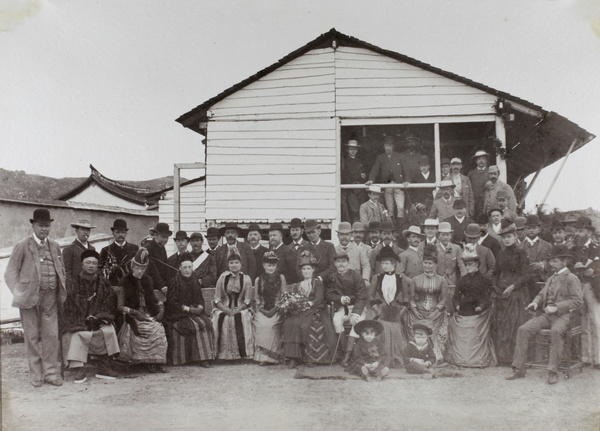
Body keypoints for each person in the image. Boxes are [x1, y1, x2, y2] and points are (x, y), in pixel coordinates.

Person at [5, 209, 66, 387]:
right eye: (41, 226)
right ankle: (36, 375)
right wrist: (20, 293)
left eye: (47, 226)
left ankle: (51, 374)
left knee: (51, 336)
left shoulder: (54, 245)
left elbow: (61, 270)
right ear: (33, 225)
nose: (44, 229)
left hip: (50, 298)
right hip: (29, 298)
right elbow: (10, 274)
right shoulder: (23, 245)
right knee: (31, 336)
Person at [506, 245, 583, 384]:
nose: (551, 264)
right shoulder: (551, 278)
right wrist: (535, 302)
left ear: (564, 261)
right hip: (547, 316)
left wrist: (557, 307)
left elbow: (577, 301)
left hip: (564, 317)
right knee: (523, 329)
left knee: (555, 331)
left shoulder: (572, 278)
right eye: (550, 261)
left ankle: (552, 371)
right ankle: (518, 369)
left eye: (554, 261)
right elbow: (542, 294)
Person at [61, 250, 119, 383]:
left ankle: (103, 365)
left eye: (94, 263)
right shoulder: (73, 283)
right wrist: (83, 320)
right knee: (78, 335)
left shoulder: (104, 283)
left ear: (98, 265)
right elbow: (69, 305)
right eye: (88, 263)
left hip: (97, 320)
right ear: (82, 265)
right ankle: (78, 367)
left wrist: (98, 317)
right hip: (78, 321)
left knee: (108, 331)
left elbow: (109, 304)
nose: (91, 266)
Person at [117, 249, 168, 373]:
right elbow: (120, 306)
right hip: (133, 316)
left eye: (143, 268)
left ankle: (156, 362)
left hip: (148, 313)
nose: (140, 271)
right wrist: (134, 312)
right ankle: (145, 362)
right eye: (137, 268)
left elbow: (156, 299)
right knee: (143, 330)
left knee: (158, 329)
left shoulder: (147, 280)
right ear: (132, 266)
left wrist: (161, 309)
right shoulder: (125, 281)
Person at [282, 251, 336, 367]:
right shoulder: (297, 285)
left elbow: (319, 299)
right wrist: (294, 304)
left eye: (308, 269)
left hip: (315, 310)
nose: (306, 271)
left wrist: (308, 304)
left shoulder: (317, 283)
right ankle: (293, 357)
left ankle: (310, 357)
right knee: (290, 322)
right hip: (300, 310)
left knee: (306, 324)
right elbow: (294, 298)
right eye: (304, 269)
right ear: (301, 271)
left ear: (313, 270)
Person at [165, 252, 216, 367]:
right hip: (178, 314)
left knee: (205, 324)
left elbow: (200, 298)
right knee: (196, 326)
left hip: (194, 312)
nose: (187, 270)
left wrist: (200, 307)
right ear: (179, 268)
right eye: (185, 267)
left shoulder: (195, 280)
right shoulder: (175, 281)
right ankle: (185, 359)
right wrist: (188, 309)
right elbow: (172, 303)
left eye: (189, 267)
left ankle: (205, 358)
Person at [448, 248, 496, 368]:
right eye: (466, 265)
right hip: (465, 308)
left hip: (479, 311)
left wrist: (481, 306)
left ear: (477, 265)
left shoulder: (485, 280)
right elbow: (456, 297)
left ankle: (476, 358)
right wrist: (457, 306)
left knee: (474, 327)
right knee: (457, 326)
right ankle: (461, 357)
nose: (468, 267)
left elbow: (487, 296)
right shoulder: (462, 280)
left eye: (471, 265)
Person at [491, 220, 530, 364]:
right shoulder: (501, 254)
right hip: (502, 293)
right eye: (504, 237)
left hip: (517, 293)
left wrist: (512, 287)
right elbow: (495, 272)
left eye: (509, 237)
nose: (506, 240)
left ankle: (515, 358)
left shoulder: (521, 252)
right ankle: (502, 358)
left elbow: (526, 275)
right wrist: (495, 286)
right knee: (501, 325)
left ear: (515, 237)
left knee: (514, 323)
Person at [326, 251, 369, 367]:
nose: (341, 264)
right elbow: (329, 294)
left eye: (343, 261)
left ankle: (349, 355)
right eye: (338, 262)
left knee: (357, 323)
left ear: (348, 262)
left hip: (357, 308)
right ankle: (343, 351)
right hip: (342, 309)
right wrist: (340, 298)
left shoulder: (356, 276)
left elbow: (362, 296)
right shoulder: (332, 278)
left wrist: (356, 313)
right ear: (335, 264)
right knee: (336, 320)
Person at [371, 246, 412, 367]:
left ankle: (396, 359)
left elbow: (405, 297)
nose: (384, 266)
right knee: (380, 327)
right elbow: (371, 296)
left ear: (393, 264)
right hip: (380, 311)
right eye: (382, 263)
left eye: (387, 263)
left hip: (396, 311)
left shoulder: (400, 278)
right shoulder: (377, 277)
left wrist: (401, 312)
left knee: (397, 329)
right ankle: (381, 358)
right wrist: (376, 310)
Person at [408, 247, 449, 364]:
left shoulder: (442, 280)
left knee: (436, 331)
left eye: (430, 263)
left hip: (435, 314)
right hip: (418, 313)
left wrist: (436, 312)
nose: (427, 265)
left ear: (435, 264)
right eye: (425, 263)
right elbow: (411, 299)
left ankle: (435, 356)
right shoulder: (415, 280)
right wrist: (415, 312)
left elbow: (444, 299)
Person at [212, 253, 254, 360]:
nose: (234, 265)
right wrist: (226, 309)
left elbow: (247, 300)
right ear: (228, 264)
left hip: (241, 307)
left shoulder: (246, 279)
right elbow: (217, 298)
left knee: (242, 317)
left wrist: (237, 310)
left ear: (241, 265)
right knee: (221, 317)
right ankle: (220, 353)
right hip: (224, 307)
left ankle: (243, 353)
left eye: (236, 263)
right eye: (231, 263)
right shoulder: (222, 278)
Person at [572, 216, 600, 367]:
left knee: (596, 322)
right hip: (578, 287)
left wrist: (594, 271)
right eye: (576, 231)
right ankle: (585, 358)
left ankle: (598, 358)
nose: (577, 234)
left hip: (593, 288)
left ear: (589, 232)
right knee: (583, 323)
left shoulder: (597, 249)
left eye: (580, 231)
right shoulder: (573, 250)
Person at [366, 135, 411, 221]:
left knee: (400, 207)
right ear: (384, 146)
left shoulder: (399, 156)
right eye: (386, 146)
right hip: (387, 185)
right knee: (390, 208)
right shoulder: (381, 157)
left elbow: (406, 170)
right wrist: (371, 179)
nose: (388, 148)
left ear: (393, 146)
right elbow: (375, 169)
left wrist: (407, 181)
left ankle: (400, 227)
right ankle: (391, 227)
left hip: (398, 185)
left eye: (390, 146)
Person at [252, 251, 286, 365]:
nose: (271, 268)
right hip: (263, 310)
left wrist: (275, 309)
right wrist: (263, 310)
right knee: (261, 325)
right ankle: (263, 357)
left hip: (277, 310)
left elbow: (284, 297)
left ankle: (275, 357)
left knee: (272, 325)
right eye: (269, 265)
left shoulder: (281, 278)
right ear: (264, 265)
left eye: (273, 265)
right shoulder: (258, 280)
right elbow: (256, 299)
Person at [100, 219, 139, 287]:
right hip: (113, 286)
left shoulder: (134, 249)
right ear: (113, 233)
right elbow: (101, 270)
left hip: (131, 286)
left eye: (123, 232)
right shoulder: (106, 250)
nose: (120, 235)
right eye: (118, 232)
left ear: (126, 233)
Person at [331, 222, 371, 287]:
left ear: (351, 235)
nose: (344, 237)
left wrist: (365, 279)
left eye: (347, 234)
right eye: (342, 234)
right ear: (338, 235)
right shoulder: (333, 250)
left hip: (356, 284)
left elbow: (366, 266)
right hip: (338, 284)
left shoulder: (359, 250)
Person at [522, 215, 552, 300]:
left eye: (534, 228)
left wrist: (542, 266)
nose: (531, 230)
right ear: (525, 230)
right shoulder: (519, 247)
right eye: (528, 228)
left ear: (539, 229)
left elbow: (553, 263)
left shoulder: (547, 246)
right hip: (524, 283)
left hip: (541, 280)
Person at [63, 218, 96, 291]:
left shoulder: (92, 249)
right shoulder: (69, 249)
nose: (85, 232)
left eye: (88, 230)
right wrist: (70, 289)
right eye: (83, 229)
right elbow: (66, 272)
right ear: (76, 231)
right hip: (76, 289)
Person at [145, 222, 173, 303]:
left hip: (161, 284)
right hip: (152, 284)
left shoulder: (162, 247)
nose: (165, 240)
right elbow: (152, 269)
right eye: (163, 237)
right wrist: (162, 285)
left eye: (166, 237)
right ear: (156, 235)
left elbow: (165, 266)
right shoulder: (149, 247)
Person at [341, 138, 367, 223]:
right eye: (351, 149)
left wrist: (363, 176)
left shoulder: (359, 161)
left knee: (361, 208)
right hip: (351, 188)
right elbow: (344, 175)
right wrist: (351, 183)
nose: (353, 151)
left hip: (360, 187)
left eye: (354, 149)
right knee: (354, 209)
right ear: (347, 150)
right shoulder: (345, 161)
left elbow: (363, 172)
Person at [435, 222, 466, 288]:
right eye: (443, 235)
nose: (446, 237)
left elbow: (461, 265)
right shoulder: (434, 248)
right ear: (438, 236)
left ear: (451, 236)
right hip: (437, 281)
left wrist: (465, 279)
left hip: (452, 281)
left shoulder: (456, 248)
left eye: (447, 235)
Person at [285, 218, 309, 283]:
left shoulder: (308, 246)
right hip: (290, 283)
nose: (294, 232)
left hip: (305, 281)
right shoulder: (286, 249)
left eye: (297, 230)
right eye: (292, 230)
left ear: (302, 231)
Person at [467, 149, 490, 217]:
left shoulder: (490, 172)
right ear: (476, 161)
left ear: (486, 160)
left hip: (486, 201)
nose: (481, 161)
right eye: (479, 159)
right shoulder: (471, 173)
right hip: (475, 202)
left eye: (483, 158)